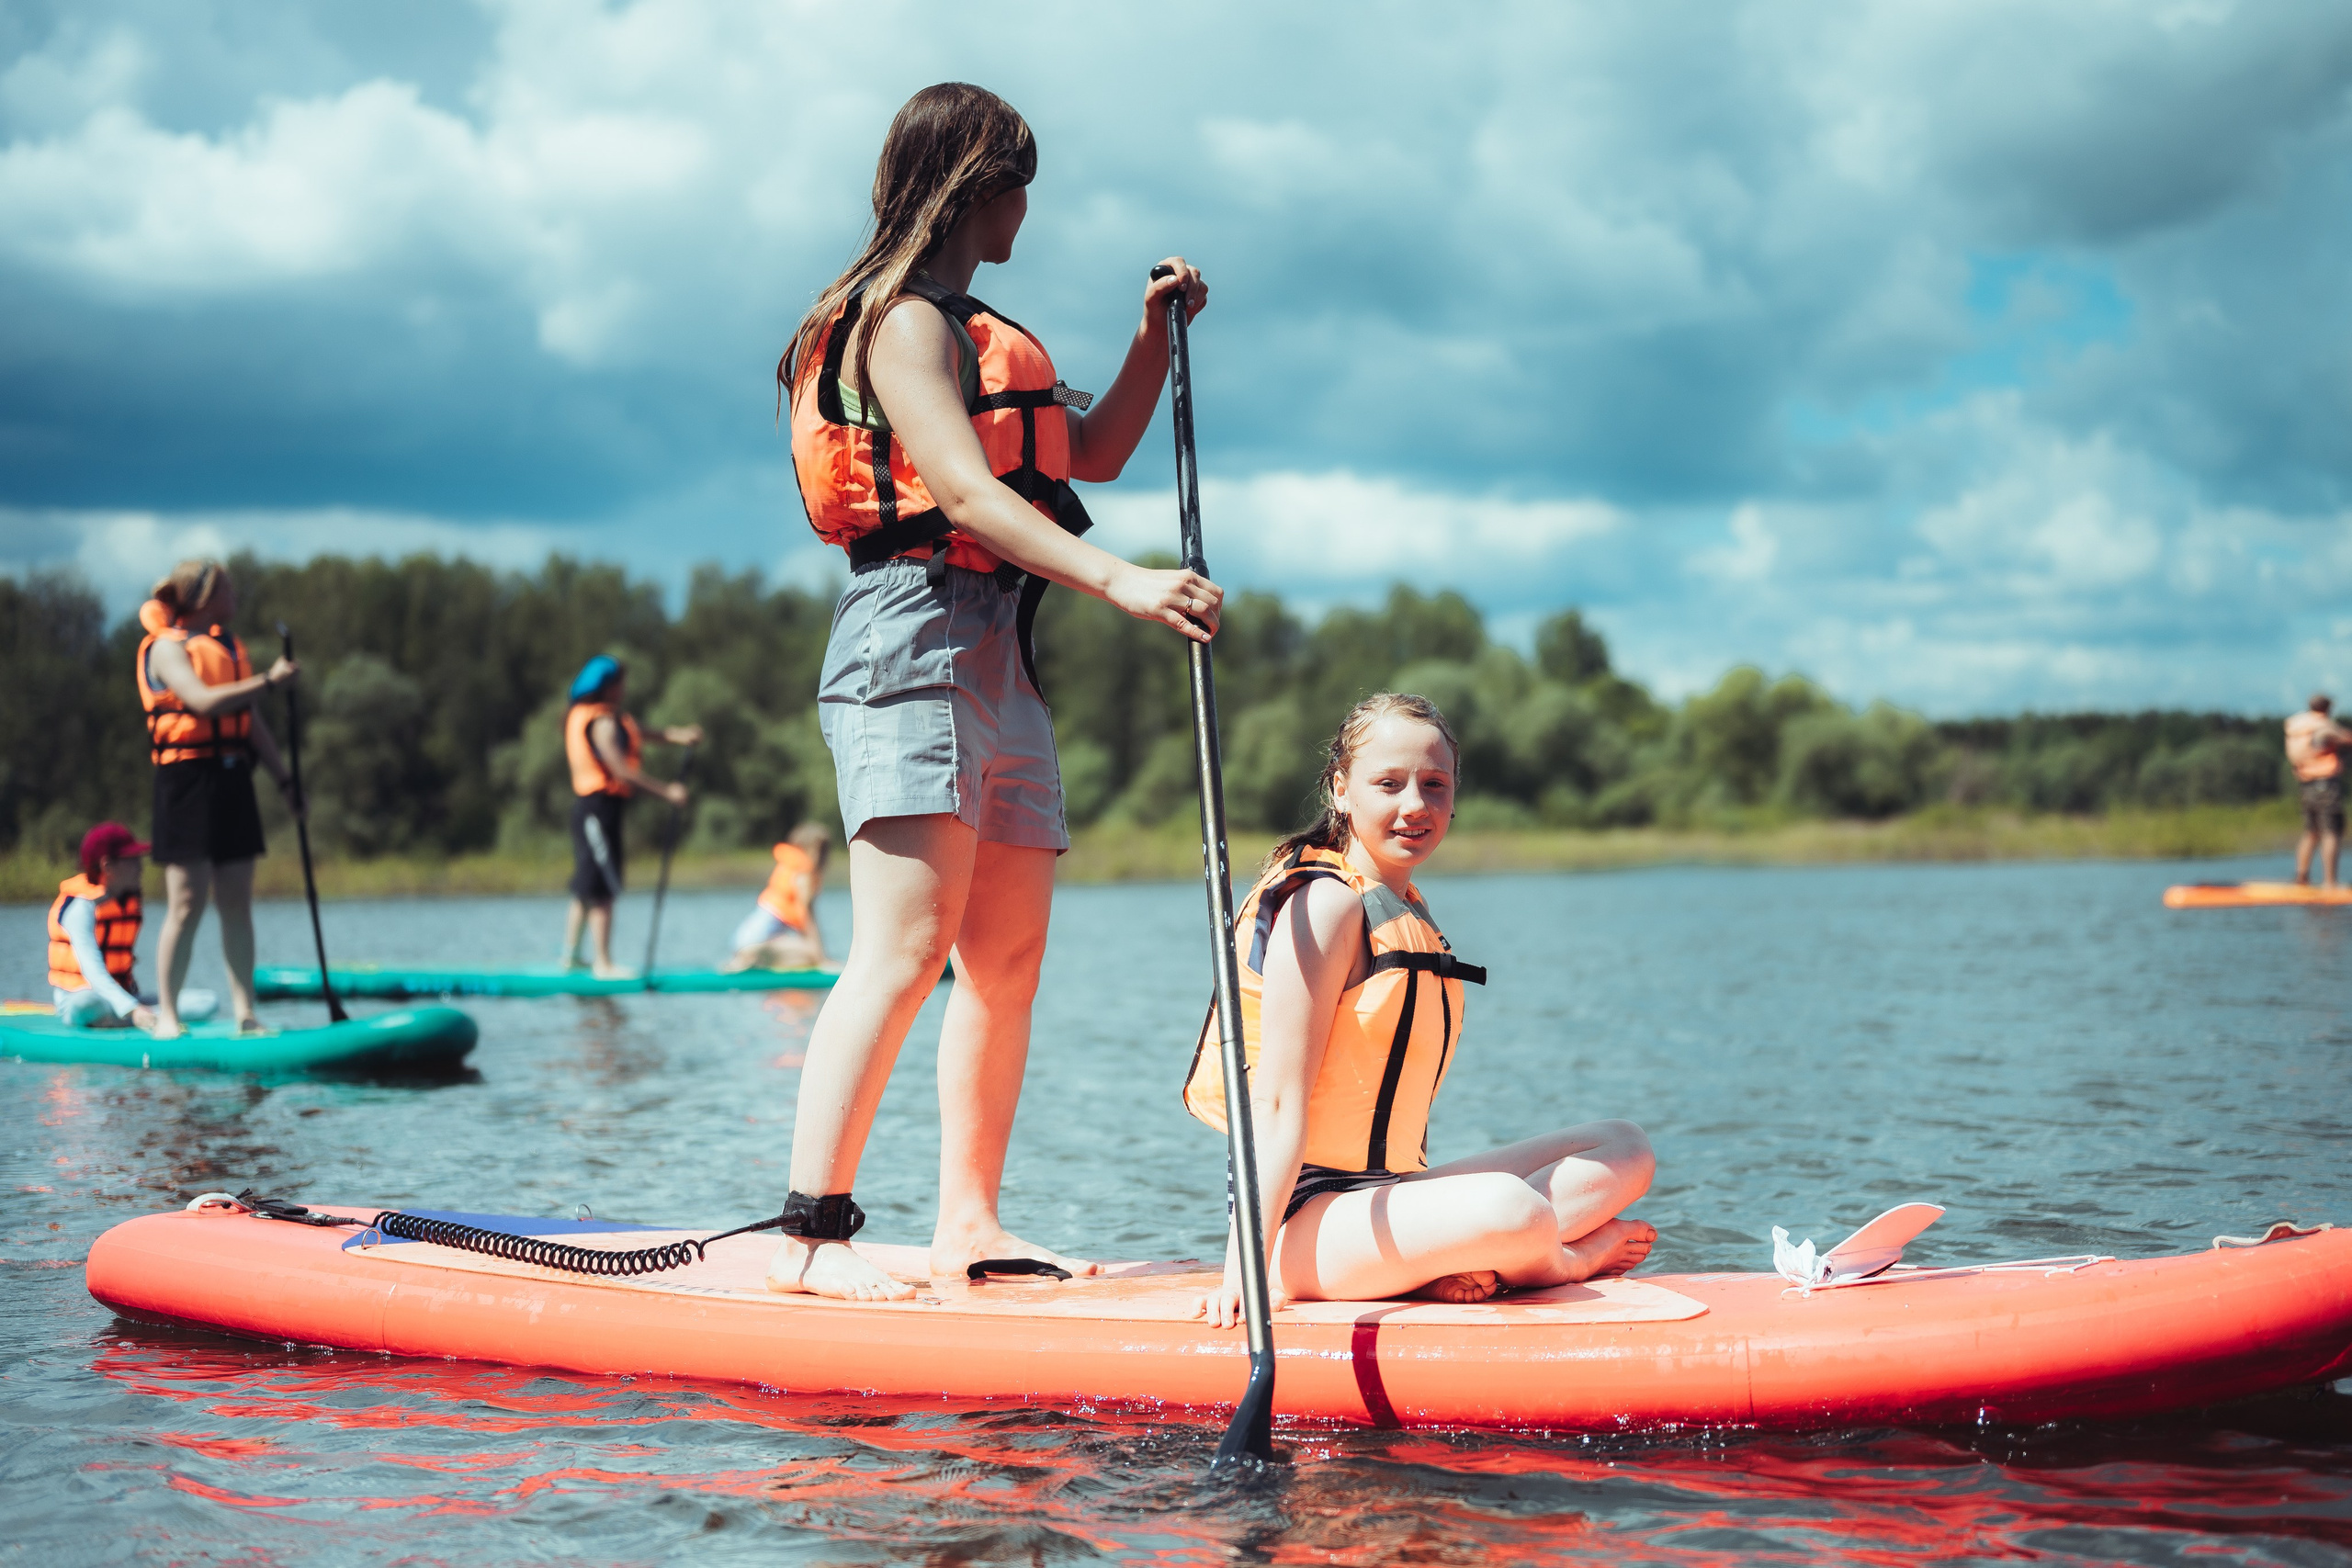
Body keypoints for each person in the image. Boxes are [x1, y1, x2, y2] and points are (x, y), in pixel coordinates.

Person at [764, 82, 1220, 1302]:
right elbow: (965, 493)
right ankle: (810, 1235)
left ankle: (968, 1224)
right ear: (981, 188)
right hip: (909, 637)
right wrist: (1124, 583)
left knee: (1004, 958)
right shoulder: (901, 323)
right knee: (904, 949)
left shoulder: (982, 330)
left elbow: (1095, 453)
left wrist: (1153, 336)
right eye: (1021, 187)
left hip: (1002, 649)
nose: (1028, 211)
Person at [1194, 693, 1657, 1327]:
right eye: (1388, 783)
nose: (1415, 804)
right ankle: (1564, 1260)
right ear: (1340, 789)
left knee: (1624, 1147)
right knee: (1511, 1208)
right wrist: (1242, 1267)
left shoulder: (1405, 906)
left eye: (1434, 784)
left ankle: (1456, 1258)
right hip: (1297, 1223)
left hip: (1387, 1197)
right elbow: (1275, 1104)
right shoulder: (1322, 905)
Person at [137, 559, 300, 1038]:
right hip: (186, 782)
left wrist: (286, 781)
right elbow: (202, 702)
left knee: (236, 902)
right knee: (187, 903)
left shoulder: (228, 647)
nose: (235, 596)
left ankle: (245, 1014)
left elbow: (249, 724)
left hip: (233, 780)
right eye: (227, 588)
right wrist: (270, 682)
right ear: (203, 597)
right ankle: (168, 1016)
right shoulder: (167, 648)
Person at [560, 655, 703, 977]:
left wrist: (679, 735)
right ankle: (603, 963)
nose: (624, 689)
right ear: (608, 686)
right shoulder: (602, 722)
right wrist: (668, 792)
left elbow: (641, 732)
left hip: (593, 808)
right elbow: (621, 771)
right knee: (601, 885)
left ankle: (571, 957)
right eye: (621, 683)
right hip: (598, 808)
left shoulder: (605, 717)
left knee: (587, 881)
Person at [48, 823, 156, 1030]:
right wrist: (133, 1010)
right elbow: (93, 972)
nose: (140, 868)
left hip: (123, 997)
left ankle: (123, 1020)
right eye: (132, 860)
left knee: (204, 1003)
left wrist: (133, 1005)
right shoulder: (80, 908)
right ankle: (129, 1018)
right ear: (107, 866)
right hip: (80, 1001)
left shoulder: (125, 902)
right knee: (87, 1002)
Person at [724, 823, 832, 971]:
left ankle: (750, 958)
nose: (825, 857)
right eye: (823, 850)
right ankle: (753, 956)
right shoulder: (803, 874)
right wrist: (821, 960)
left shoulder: (791, 867)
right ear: (812, 848)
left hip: (743, 940)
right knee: (810, 954)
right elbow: (807, 919)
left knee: (805, 951)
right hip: (754, 943)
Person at [2286, 694, 2348, 891]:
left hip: (2306, 783)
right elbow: (2344, 738)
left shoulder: (2298, 725)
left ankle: (2301, 878)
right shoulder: (2323, 726)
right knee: (2331, 831)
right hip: (2325, 784)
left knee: (2311, 831)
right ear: (2328, 708)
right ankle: (2330, 883)